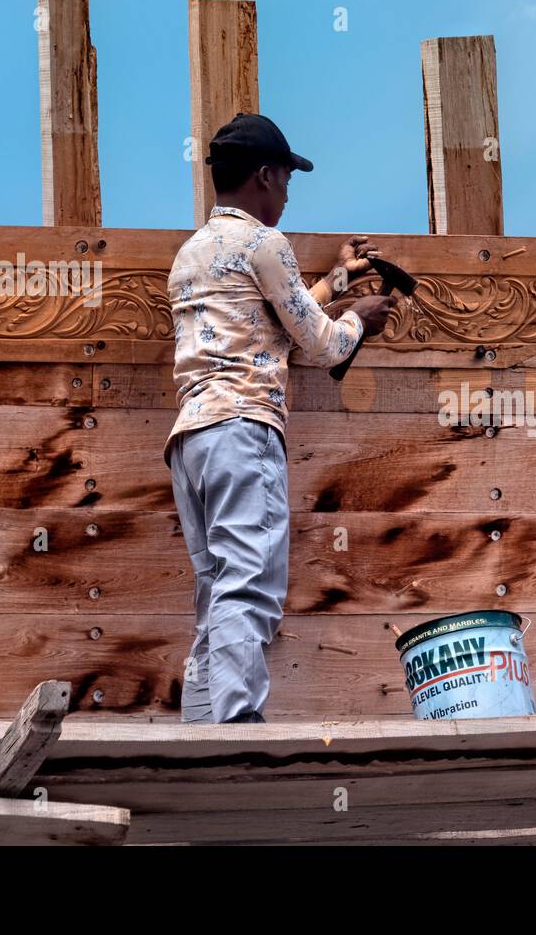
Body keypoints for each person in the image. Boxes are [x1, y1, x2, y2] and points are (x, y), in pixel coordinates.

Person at [164, 112, 397, 723]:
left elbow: (271, 326)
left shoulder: (192, 255)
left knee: (215, 586)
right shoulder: (267, 244)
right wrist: (359, 319)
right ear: (265, 176)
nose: (289, 193)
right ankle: (237, 723)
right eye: (287, 179)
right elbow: (318, 345)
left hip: (192, 439)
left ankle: (200, 724)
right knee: (250, 583)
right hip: (244, 429)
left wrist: (338, 278)